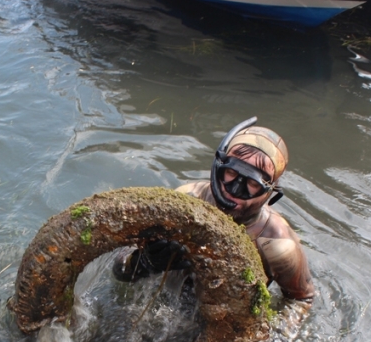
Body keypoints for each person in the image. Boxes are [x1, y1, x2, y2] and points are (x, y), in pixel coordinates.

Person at [112, 117, 314, 331]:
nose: (235, 189)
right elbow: (121, 271)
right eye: (231, 172)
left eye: (253, 184)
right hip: (161, 311)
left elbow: (301, 299)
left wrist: (267, 336)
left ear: (269, 193)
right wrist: (144, 263)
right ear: (219, 166)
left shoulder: (276, 241)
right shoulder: (186, 201)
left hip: (223, 328)